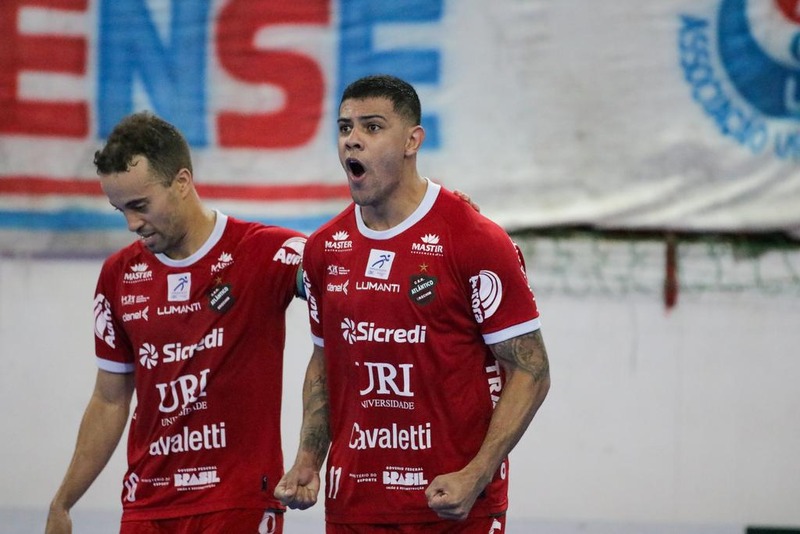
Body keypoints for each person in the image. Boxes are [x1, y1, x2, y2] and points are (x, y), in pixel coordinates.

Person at [275, 74, 551, 533]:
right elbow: (325, 360)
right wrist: (308, 459)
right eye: (345, 129)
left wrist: (476, 472)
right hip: (355, 507)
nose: (353, 142)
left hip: (452, 506)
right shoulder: (325, 248)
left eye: (373, 127)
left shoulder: (474, 240)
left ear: (412, 140)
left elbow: (532, 369)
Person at [45, 111, 306, 534]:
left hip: (236, 504)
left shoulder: (262, 251)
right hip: (147, 507)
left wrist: (443, 217)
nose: (131, 224)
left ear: (182, 183)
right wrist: (63, 502)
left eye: (140, 206)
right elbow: (110, 400)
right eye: (120, 210)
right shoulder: (118, 276)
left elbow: (344, 268)